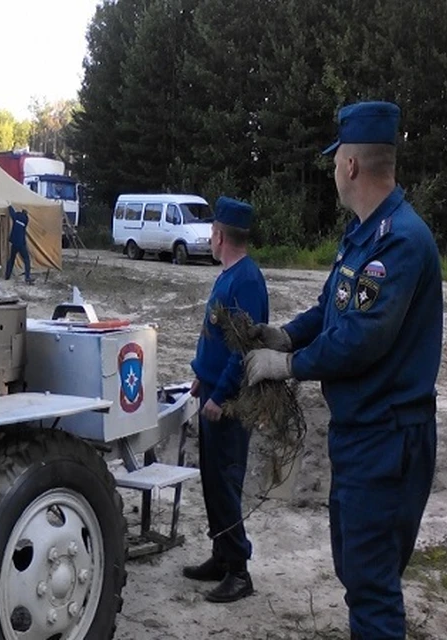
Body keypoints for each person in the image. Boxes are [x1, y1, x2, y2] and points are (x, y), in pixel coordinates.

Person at [244, 101, 443, 639]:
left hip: (387, 438)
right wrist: (287, 333)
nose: (332, 169)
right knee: (358, 573)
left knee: (372, 588)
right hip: (361, 436)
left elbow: (363, 338)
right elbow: (333, 309)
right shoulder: (363, 234)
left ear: (351, 166)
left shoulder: (399, 240)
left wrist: (288, 365)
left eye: (335, 160)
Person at [184, 196, 269, 603]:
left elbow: (242, 349)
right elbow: (216, 339)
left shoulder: (247, 280)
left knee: (226, 482)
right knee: (213, 482)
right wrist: (202, 380)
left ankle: (239, 570)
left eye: (212, 232)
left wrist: (219, 394)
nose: (210, 237)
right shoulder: (228, 274)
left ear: (219, 235)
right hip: (212, 395)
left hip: (230, 405)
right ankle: (221, 555)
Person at [5, 204, 34, 284]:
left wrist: (9, 206)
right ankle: (27, 277)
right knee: (26, 260)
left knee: (11, 259)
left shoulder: (16, 217)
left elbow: (12, 213)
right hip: (21, 243)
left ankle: (7, 276)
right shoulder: (26, 220)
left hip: (14, 242)